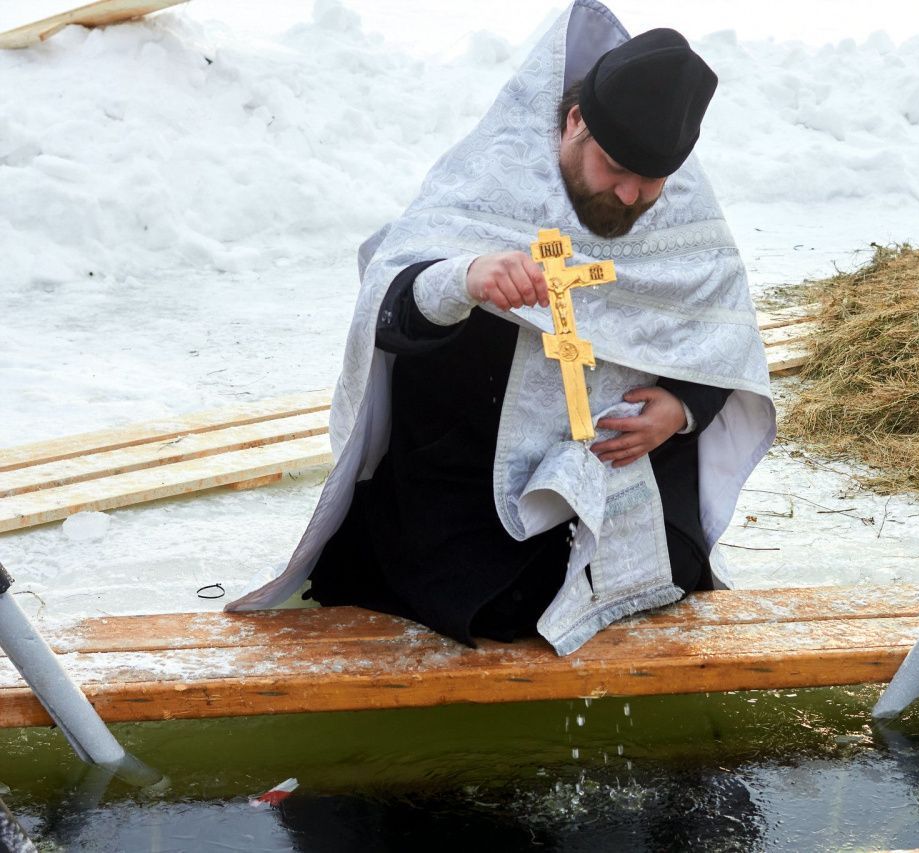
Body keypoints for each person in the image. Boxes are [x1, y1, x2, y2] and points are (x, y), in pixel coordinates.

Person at [227, 0, 775, 656]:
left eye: (649, 183)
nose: (630, 197)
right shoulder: (492, 177)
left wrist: (684, 408)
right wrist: (465, 278)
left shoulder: (682, 203)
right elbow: (390, 312)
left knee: (657, 576)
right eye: (614, 171)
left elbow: (722, 333)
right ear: (574, 121)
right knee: (491, 601)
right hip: (469, 472)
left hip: (617, 469)